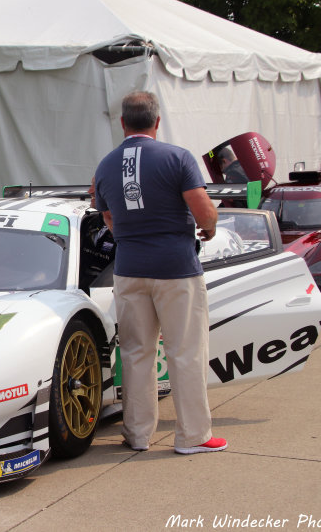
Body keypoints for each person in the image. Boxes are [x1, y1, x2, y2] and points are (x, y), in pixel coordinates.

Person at [91, 91, 226, 455]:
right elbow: (204, 211)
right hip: (176, 269)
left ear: (122, 123)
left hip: (129, 269)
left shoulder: (105, 165)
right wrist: (209, 228)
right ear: (157, 121)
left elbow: (107, 216)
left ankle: (137, 434)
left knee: (136, 352)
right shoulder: (177, 157)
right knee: (186, 351)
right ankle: (193, 436)